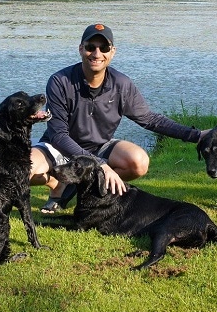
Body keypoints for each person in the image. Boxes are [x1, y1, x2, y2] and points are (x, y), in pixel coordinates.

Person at [30, 23, 207, 213]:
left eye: (104, 48)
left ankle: (83, 189)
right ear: (81, 49)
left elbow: (149, 119)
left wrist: (196, 135)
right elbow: (58, 135)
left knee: (138, 162)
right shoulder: (60, 81)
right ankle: (57, 183)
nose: (97, 54)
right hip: (60, 146)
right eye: (90, 47)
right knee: (25, 170)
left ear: (112, 52)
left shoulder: (122, 84)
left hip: (99, 146)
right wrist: (100, 164)